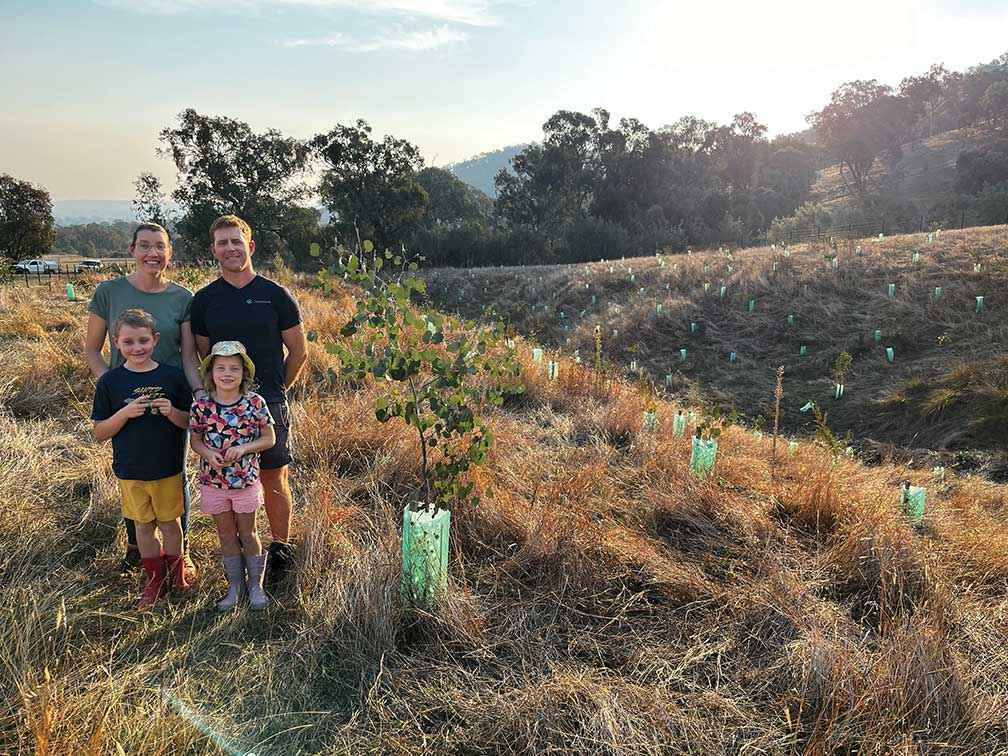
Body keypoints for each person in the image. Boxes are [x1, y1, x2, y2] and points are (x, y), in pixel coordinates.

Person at [188, 215, 307, 588]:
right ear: (214, 250)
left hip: (268, 400)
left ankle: (280, 551)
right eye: (222, 243)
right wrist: (219, 397)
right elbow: (205, 356)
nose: (230, 249)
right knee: (228, 479)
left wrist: (274, 391)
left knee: (273, 476)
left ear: (250, 246)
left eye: (236, 242)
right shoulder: (205, 300)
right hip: (222, 407)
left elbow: (299, 352)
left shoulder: (276, 295)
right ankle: (239, 556)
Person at [85, 223, 199, 573]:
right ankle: (137, 548)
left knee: (172, 471)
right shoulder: (108, 292)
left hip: (167, 403)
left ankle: (181, 554)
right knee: (133, 470)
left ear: (169, 252)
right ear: (133, 249)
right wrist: (113, 385)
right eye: (145, 246)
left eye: (160, 246)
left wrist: (199, 396)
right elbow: (91, 349)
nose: (153, 253)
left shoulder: (182, 298)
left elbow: (189, 355)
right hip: (126, 404)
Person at [91, 309, 192, 607]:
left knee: (171, 524)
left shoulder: (172, 377)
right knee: (143, 527)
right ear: (116, 342)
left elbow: (189, 421)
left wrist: (172, 411)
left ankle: (178, 575)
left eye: (144, 341)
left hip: (167, 469)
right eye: (129, 342)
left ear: (155, 339)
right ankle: (154, 580)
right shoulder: (110, 382)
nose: (137, 348)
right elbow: (99, 431)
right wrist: (124, 413)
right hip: (131, 470)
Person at [190, 341, 276, 611]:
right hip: (214, 482)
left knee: (248, 532)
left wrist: (243, 448)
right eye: (221, 368)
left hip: (245, 481)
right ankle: (235, 587)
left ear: (244, 373)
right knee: (226, 534)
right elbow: (195, 441)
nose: (227, 374)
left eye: (234, 369)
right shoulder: (201, 406)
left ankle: (256, 586)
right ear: (211, 372)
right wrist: (207, 454)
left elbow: (269, 438)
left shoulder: (254, 403)